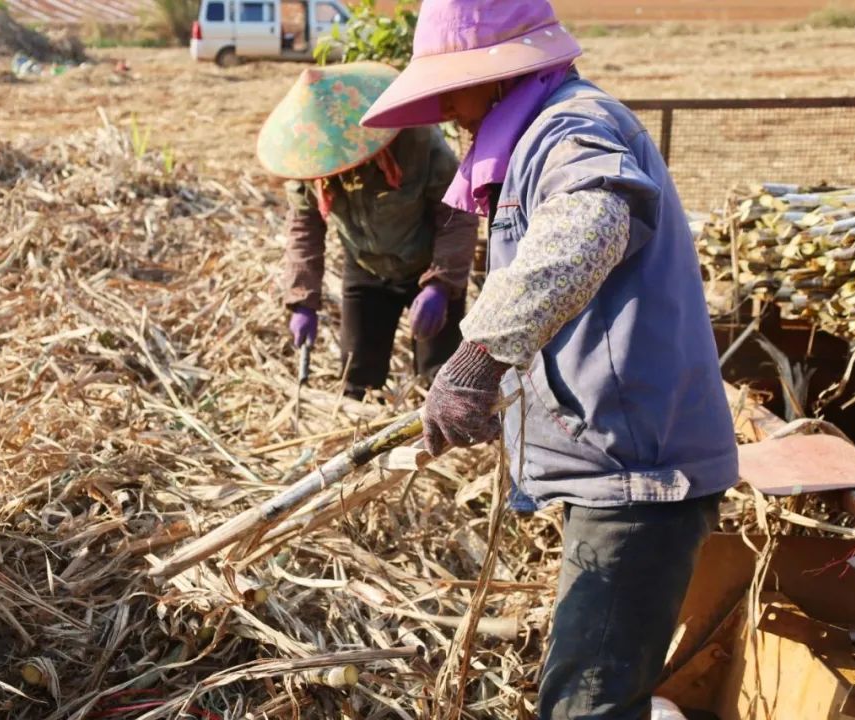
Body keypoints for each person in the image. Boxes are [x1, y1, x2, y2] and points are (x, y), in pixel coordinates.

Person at [361, 1, 739, 718]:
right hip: (617, 462)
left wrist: (476, 359)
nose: (449, 113)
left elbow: (588, 225)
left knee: (585, 706)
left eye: (454, 89)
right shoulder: (540, 131)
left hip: (639, 474)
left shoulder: (572, 127)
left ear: (503, 73)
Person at [257, 62, 479, 399]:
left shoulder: (417, 142)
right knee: (357, 377)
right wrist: (303, 300)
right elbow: (305, 229)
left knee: (441, 378)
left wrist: (442, 283)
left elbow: (458, 212)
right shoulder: (313, 163)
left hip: (428, 264)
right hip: (366, 271)